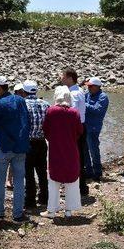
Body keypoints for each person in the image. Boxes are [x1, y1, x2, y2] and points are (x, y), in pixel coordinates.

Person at [0, 75, 30, 223]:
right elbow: (26, 121)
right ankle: (17, 215)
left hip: (3, 148)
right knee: (19, 182)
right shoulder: (20, 100)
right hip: (20, 147)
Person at [40, 86, 83, 219]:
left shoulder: (51, 111)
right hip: (71, 149)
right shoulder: (74, 112)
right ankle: (69, 210)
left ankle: (52, 210)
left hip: (55, 149)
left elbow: (45, 129)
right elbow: (79, 131)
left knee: (53, 179)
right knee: (72, 179)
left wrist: (52, 139)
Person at [19, 80, 50, 209]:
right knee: (42, 171)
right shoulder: (46, 104)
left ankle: (30, 201)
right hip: (42, 142)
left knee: (29, 173)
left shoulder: (22, 104)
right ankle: (44, 198)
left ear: (23, 91)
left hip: (28, 143)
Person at [60, 67, 89, 196]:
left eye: (63, 76)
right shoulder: (80, 90)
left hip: (75, 129)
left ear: (70, 79)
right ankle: (80, 186)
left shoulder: (73, 93)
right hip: (81, 126)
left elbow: (74, 112)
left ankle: (77, 187)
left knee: (73, 158)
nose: (61, 78)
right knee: (79, 157)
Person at [84, 77, 109, 181]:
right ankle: (89, 171)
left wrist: (83, 104)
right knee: (84, 150)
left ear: (97, 87)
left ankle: (98, 172)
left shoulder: (103, 97)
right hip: (85, 126)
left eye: (90, 86)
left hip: (94, 127)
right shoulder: (88, 94)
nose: (88, 88)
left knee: (94, 149)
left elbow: (97, 110)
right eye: (88, 86)